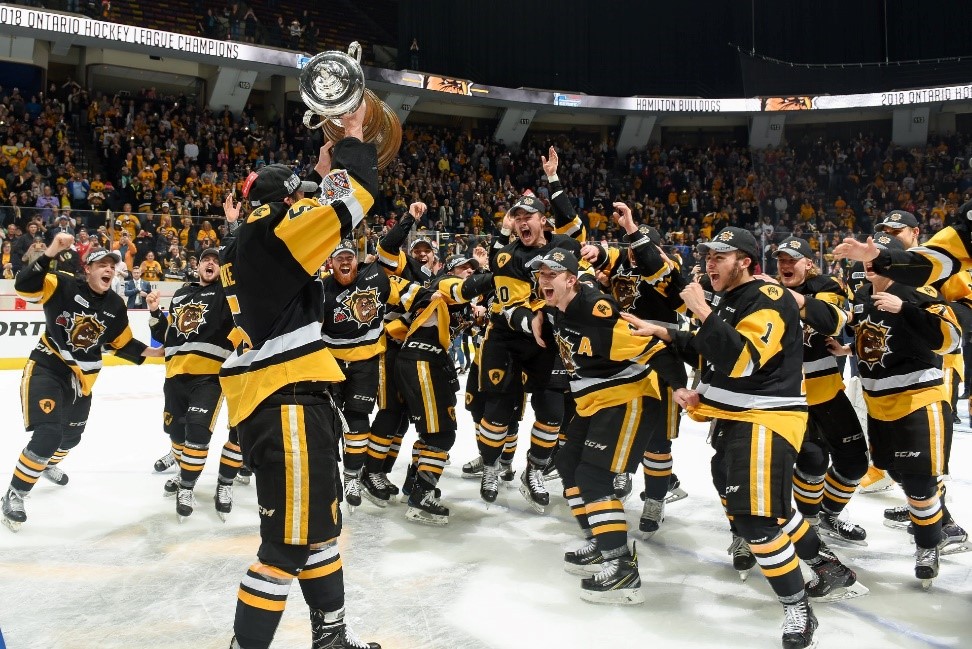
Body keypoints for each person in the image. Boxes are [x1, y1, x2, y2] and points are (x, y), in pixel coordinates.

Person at [627, 227, 863, 648]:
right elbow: (710, 349)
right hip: (732, 415)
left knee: (753, 520)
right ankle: (827, 566)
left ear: (746, 262)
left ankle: (797, 608)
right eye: (707, 255)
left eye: (721, 255)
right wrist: (662, 331)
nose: (710, 262)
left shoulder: (767, 298)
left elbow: (741, 361)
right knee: (768, 510)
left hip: (764, 418)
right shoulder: (731, 299)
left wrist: (701, 311)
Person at [218, 101, 381, 649]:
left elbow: (309, 203)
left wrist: (314, 173)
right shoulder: (275, 232)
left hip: (284, 402)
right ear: (285, 204)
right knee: (287, 546)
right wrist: (354, 137)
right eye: (299, 198)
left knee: (319, 536)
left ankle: (330, 639)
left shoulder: (247, 241)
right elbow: (356, 196)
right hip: (287, 404)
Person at [535, 248, 688, 604]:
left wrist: (679, 386)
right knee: (567, 465)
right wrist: (541, 311)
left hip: (627, 397)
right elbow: (555, 297)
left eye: (551, 274)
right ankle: (601, 541)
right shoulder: (560, 304)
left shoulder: (595, 314)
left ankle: (622, 568)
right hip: (595, 401)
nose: (543, 279)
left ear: (570, 280)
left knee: (594, 477)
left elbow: (654, 346)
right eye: (540, 273)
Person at [827, 233, 962, 586]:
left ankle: (929, 544)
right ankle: (934, 528)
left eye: (878, 255)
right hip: (878, 404)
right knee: (900, 475)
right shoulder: (861, 296)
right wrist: (848, 351)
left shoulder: (920, 291)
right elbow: (874, 338)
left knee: (920, 482)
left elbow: (952, 337)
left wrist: (906, 310)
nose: (869, 262)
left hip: (918, 400)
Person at [1, 242, 163, 532]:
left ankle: (46, 464)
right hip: (47, 367)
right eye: (102, 264)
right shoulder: (60, 284)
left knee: (70, 439)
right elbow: (24, 286)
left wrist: (157, 354)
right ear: (87, 268)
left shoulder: (115, 305)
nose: (109, 269)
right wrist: (50, 251)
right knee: (48, 433)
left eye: (112, 266)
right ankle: (15, 493)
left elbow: (121, 344)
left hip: (81, 380)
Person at [475, 147, 586, 512]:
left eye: (529, 216)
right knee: (497, 411)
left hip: (547, 342)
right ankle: (491, 466)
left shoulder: (564, 245)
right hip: (509, 338)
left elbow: (576, 229)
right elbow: (510, 308)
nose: (522, 222)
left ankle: (534, 470)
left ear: (543, 221)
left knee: (553, 412)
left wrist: (553, 179)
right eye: (516, 217)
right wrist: (535, 318)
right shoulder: (507, 256)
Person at [582, 202, 689, 538]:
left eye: (640, 245)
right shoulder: (620, 264)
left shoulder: (668, 269)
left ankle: (655, 499)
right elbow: (599, 255)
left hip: (660, 358)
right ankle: (620, 476)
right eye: (630, 247)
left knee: (658, 443)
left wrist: (631, 231)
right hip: (621, 358)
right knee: (615, 428)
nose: (633, 252)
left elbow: (654, 264)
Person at [765, 236, 870, 546]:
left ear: (808, 262)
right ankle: (808, 524)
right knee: (811, 460)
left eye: (792, 260)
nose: (785, 266)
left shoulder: (828, 287)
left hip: (826, 390)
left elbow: (829, 322)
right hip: (788, 395)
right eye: (781, 260)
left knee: (855, 463)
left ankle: (830, 513)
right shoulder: (767, 292)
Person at [146, 246, 240, 521]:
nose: (210, 263)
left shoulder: (226, 293)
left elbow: (236, 272)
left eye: (215, 261)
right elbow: (166, 336)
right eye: (205, 260)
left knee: (198, 433)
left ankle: (186, 487)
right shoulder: (180, 294)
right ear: (196, 266)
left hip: (209, 377)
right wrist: (154, 313)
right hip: (175, 375)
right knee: (176, 433)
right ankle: (182, 466)